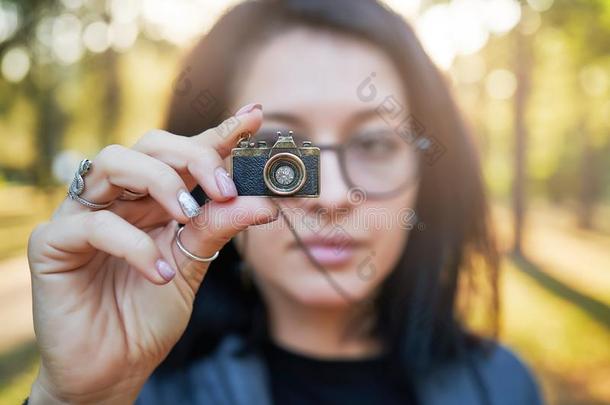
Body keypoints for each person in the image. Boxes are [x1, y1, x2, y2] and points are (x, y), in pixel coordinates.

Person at [25, 0, 542, 404]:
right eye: (278, 154)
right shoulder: (135, 389)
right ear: (203, 174)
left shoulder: (503, 388)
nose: (333, 197)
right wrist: (74, 401)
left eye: (373, 144)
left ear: (427, 176)